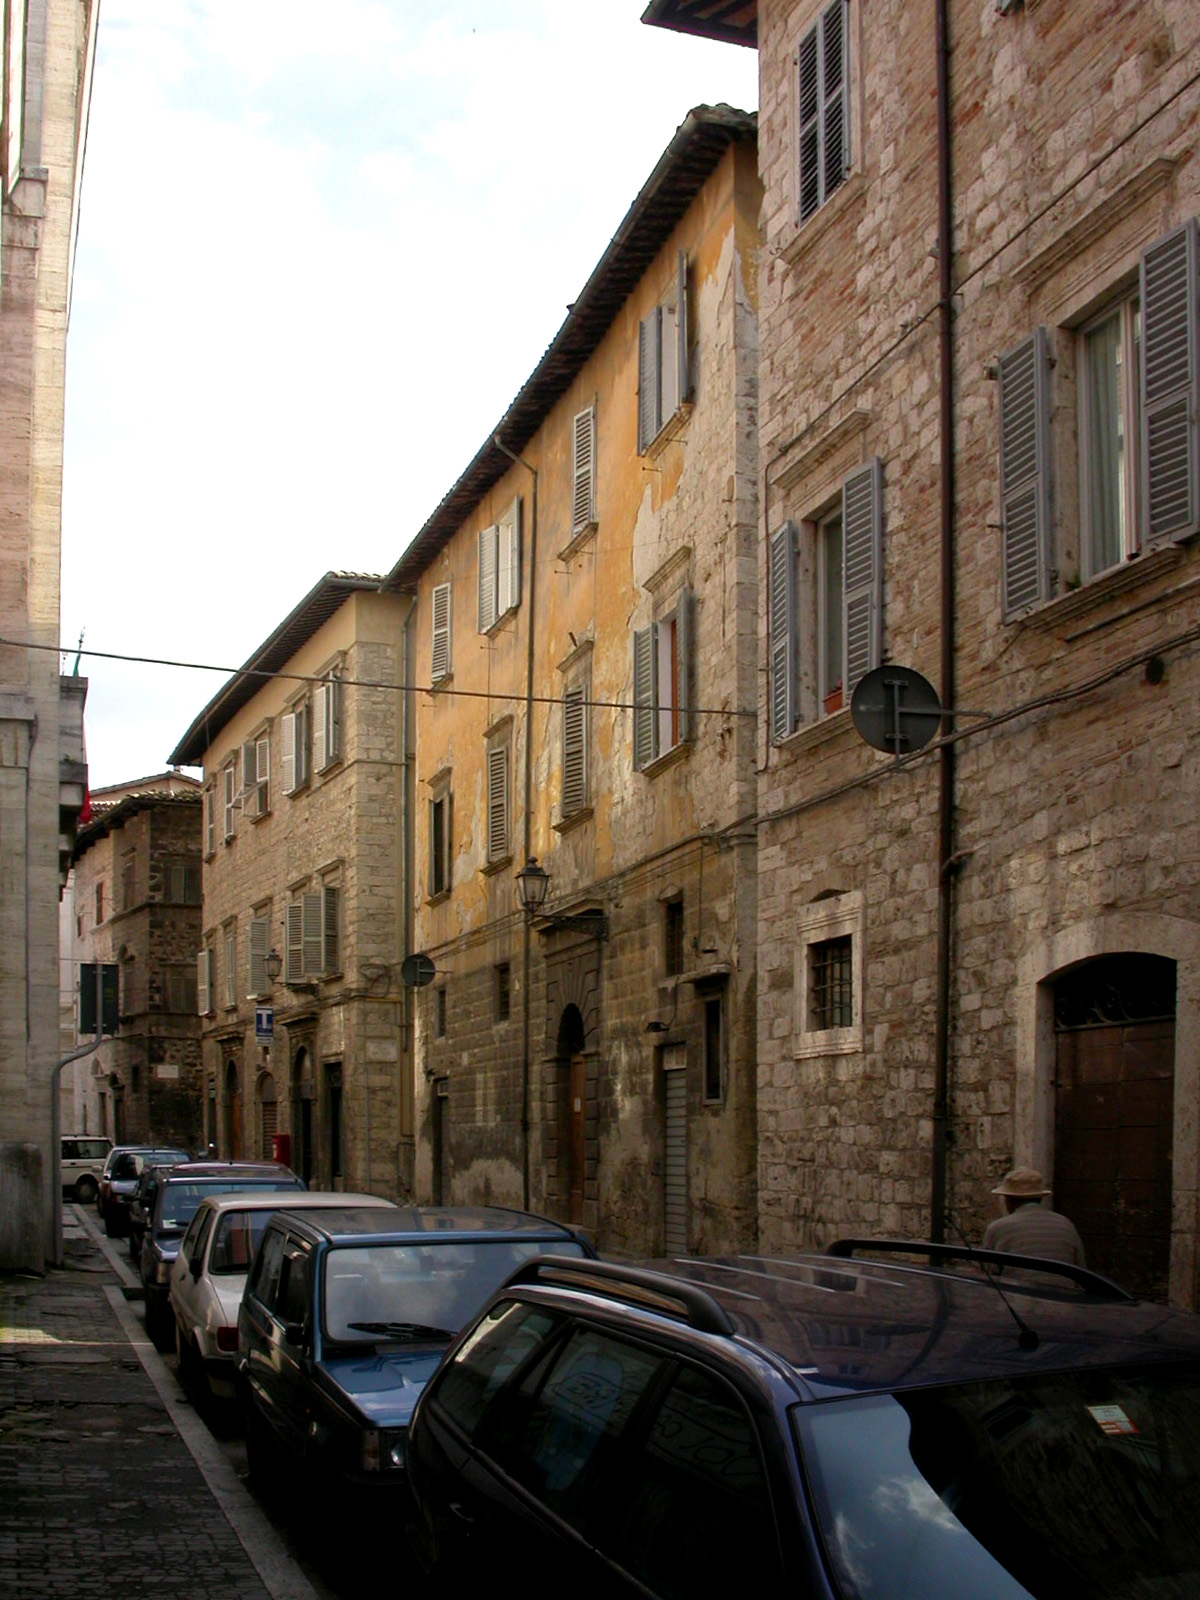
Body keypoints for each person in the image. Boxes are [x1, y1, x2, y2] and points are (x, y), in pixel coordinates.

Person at [982, 1166, 1086, 1266]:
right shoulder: (1066, 1225)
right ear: (1040, 1198)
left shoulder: (998, 1228)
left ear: (1008, 1200)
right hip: (1062, 1284)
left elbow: (988, 1273)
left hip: (1017, 1284)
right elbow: (1080, 1268)